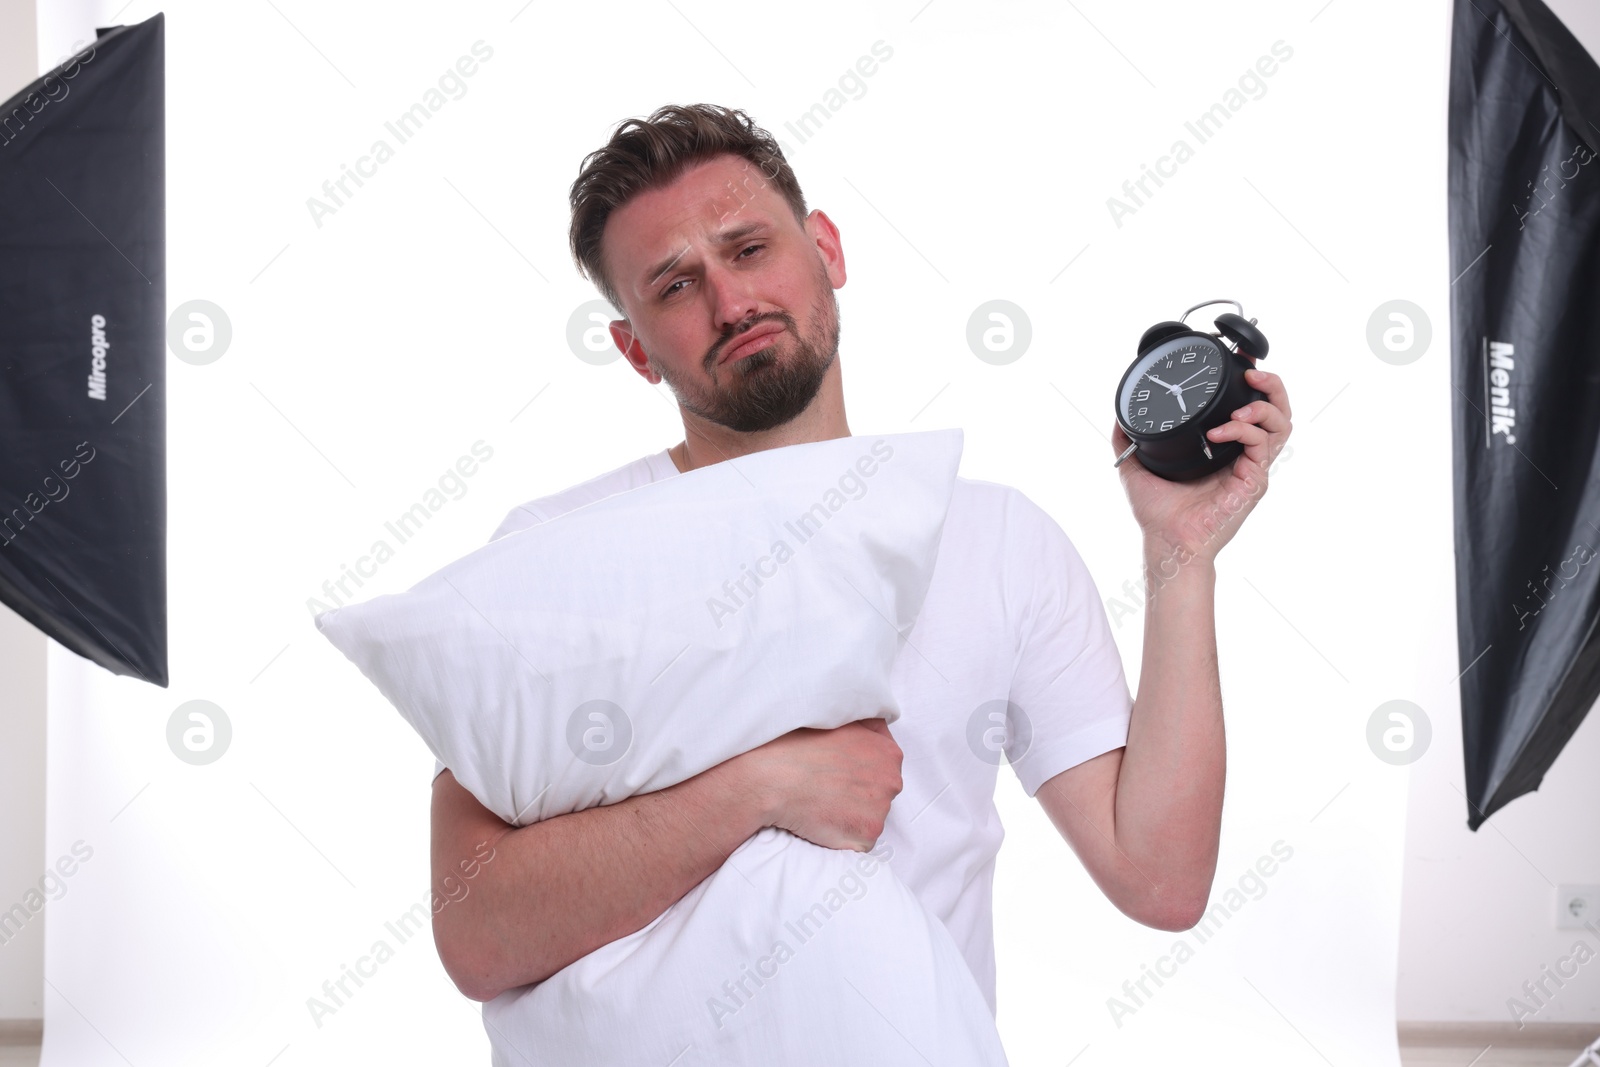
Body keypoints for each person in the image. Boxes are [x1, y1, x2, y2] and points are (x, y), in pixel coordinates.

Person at [428, 103, 1293, 1017]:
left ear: (827, 251)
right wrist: (757, 790)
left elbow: (1158, 880)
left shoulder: (998, 541)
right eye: (676, 286)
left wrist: (1180, 554)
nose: (732, 303)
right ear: (634, 348)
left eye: (749, 249)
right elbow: (477, 935)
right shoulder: (556, 555)